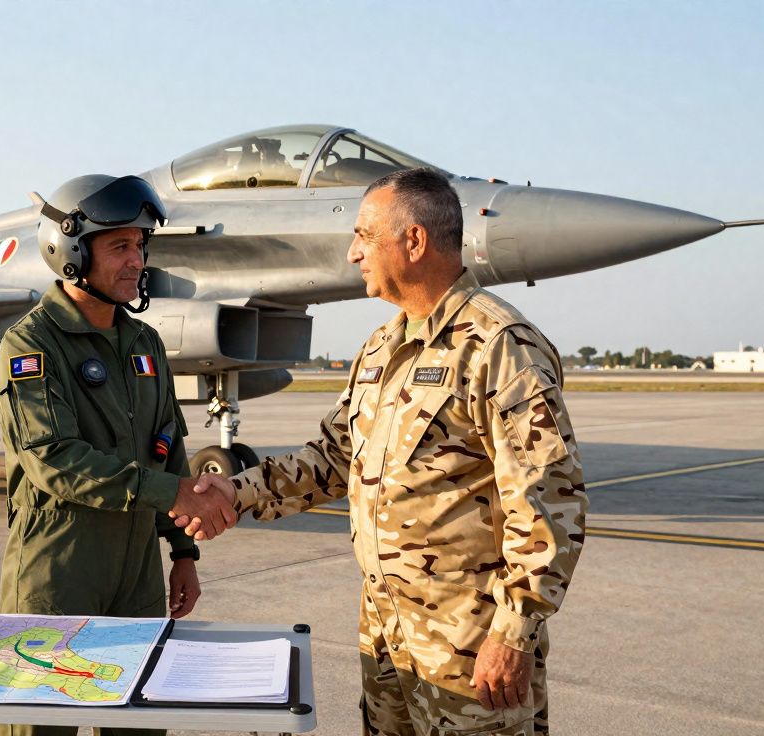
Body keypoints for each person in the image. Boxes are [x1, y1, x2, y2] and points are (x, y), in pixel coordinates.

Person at [180, 168, 587, 736]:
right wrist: (236, 490)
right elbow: (332, 458)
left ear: (413, 241)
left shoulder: (500, 347)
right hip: (387, 632)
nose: (354, 253)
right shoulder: (381, 349)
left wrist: (514, 633)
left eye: (365, 236)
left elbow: (548, 502)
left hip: (470, 641)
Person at [0, 174, 237, 736]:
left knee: (138, 724)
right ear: (72, 251)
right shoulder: (31, 345)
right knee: (39, 727)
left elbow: (167, 447)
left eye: (140, 245)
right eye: (120, 246)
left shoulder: (144, 343)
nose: (136, 260)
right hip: (57, 578)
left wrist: (183, 552)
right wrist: (171, 494)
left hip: (137, 581)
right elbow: (54, 458)